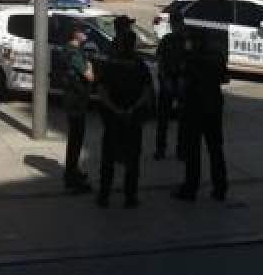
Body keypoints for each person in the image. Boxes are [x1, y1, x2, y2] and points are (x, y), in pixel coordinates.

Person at [96, 27, 152, 209]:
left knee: (109, 160)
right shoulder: (140, 65)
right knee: (132, 160)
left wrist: (115, 109)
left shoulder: (111, 65)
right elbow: (146, 92)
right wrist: (132, 109)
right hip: (131, 119)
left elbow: (102, 92)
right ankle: (130, 196)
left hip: (114, 118)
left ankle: (104, 195)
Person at [174, 24, 228, 202]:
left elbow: (183, 82)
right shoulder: (216, 58)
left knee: (193, 151)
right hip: (213, 108)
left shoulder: (190, 59)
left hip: (194, 108)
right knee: (215, 150)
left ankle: (191, 188)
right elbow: (224, 78)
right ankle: (220, 187)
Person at [60, 21, 95, 194]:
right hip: (76, 102)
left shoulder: (72, 50)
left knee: (76, 140)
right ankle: (71, 177)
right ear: (75, 34)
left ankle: (73, 171)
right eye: (83, 31)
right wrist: (90, 65)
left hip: (75, 100)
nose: (86, 33)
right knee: (76, 140)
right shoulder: (73, 53)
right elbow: (89, 76)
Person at [154, 12, 186, 160]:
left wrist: (183, 80)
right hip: (168, 81)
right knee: (163, 120)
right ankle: (160, 149)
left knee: (183, 120)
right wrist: (164, 80)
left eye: (178, 23)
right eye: (174, 23)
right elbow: (160, 61)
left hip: (181, 83)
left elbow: (190, 63)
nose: (176, 26)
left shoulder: (187, 41)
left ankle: (181, 150)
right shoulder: (166, 40)